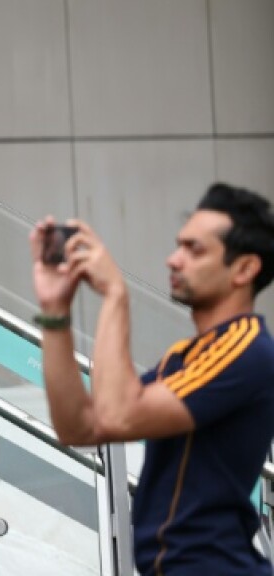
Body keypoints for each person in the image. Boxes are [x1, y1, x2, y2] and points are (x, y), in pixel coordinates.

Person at [33, 183, 274, 575]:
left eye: (194, 250)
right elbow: (77, 426)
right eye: (179, 245)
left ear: (245, 269)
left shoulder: (246, 347)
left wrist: (115, 295)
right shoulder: (186, 356)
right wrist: (55, 311)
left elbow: (118, 416)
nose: (173, 260)